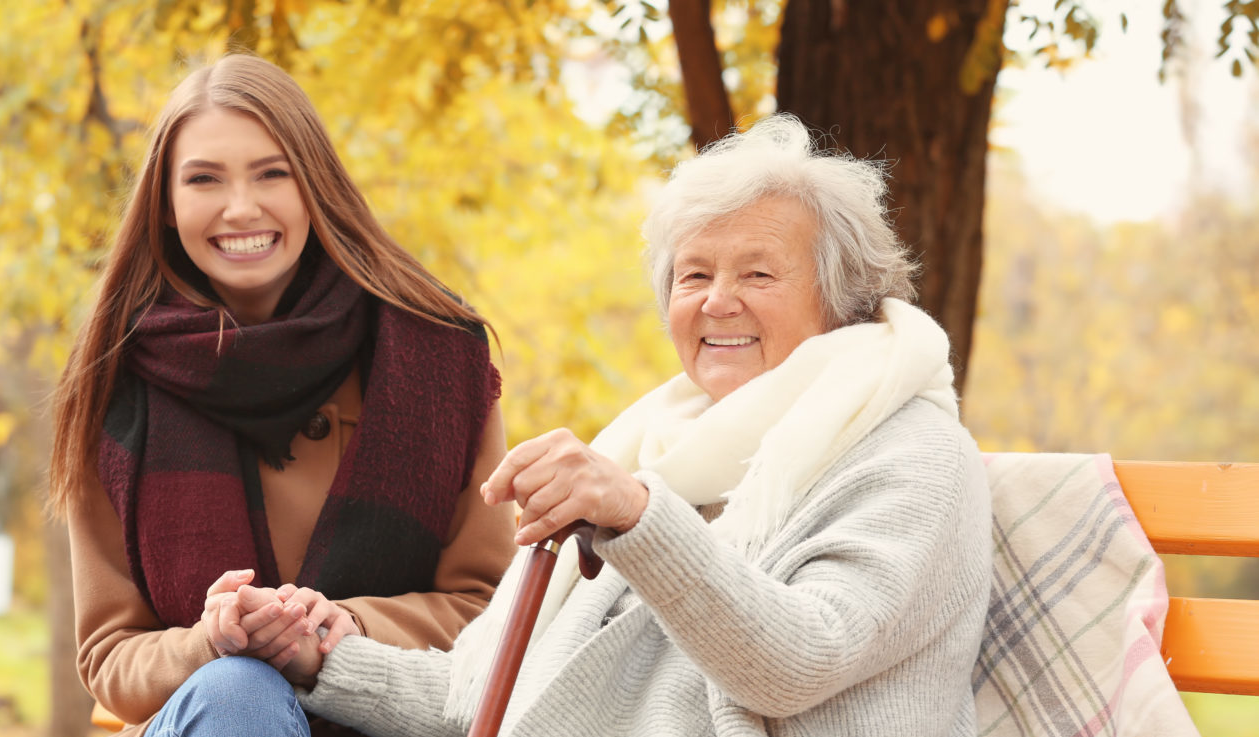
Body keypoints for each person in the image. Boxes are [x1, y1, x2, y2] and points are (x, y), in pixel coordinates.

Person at [289, 114, 995, 737]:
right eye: (692, 276)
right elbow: (494, 698)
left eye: (757, 275)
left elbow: (799, 661)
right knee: (236, 691)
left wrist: (636, 514)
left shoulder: (913, 453)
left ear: (841, 300)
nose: (719, 302)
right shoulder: (668, 449)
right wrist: (319, 653)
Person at [47, 54, 516, 737]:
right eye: (204, 179)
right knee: (239, 691)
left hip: (391, 712)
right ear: (168, 208)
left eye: (273, 173)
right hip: (207, 719)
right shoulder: (116, 378)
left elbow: (492, 606)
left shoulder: (440, 355)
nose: (242, 207)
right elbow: (109, 654)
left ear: (315, 187)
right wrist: (208, 641)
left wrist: (344, 629)